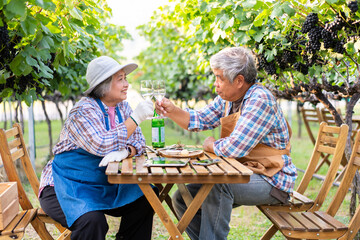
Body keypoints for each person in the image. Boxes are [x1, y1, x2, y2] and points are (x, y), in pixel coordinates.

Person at [155, 47, 297, 240]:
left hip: (273, 181)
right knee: (183, 197)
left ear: (239, 81)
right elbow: (200, 119)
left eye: (219, 78)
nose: (216, 84)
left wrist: (211, 145)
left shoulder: (259, 99)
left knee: (219, 184)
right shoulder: (229, 100)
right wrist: (172, 110)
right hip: (248, 171)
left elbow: (234, 147)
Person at [38, 56, 155, 240]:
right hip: (64, 186)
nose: (127, 84)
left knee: (147, 196)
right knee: (92, 221)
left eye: (125, 78)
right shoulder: (82, 111)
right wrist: (135, 119)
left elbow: (140, 141)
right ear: (104, 84)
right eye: (120, 79)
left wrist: (125, 151)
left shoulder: (122, 107)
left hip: (99, 183)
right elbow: (101, 145)